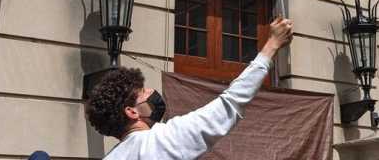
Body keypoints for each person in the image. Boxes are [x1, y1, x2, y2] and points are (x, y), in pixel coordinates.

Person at [87, 17, 293, 159]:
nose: (151, 92)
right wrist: (272, 44)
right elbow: (230, 103)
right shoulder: (161, 142)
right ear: (132, 112)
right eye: (143, 92)